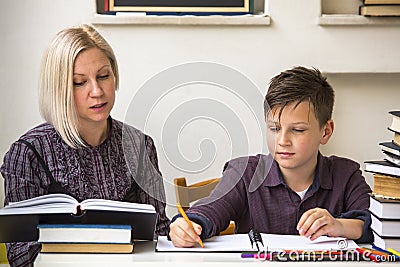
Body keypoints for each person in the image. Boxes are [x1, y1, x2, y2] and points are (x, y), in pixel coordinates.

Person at [1, 24, 170, 267]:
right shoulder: (27, 153)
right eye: (79, 82)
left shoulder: (140, 146)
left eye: (103, 76)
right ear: (59, 89)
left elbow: (159, 233)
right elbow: (21, 254)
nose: (97, 91)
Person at [169, 66, 373, 248]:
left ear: (326, 132)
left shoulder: (346, 175)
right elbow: (212, 209)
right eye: (274, 128)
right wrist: (187, 225)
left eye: (298, 130)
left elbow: (375, 225)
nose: (282, 140)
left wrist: (339, 225)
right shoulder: (245, 173)